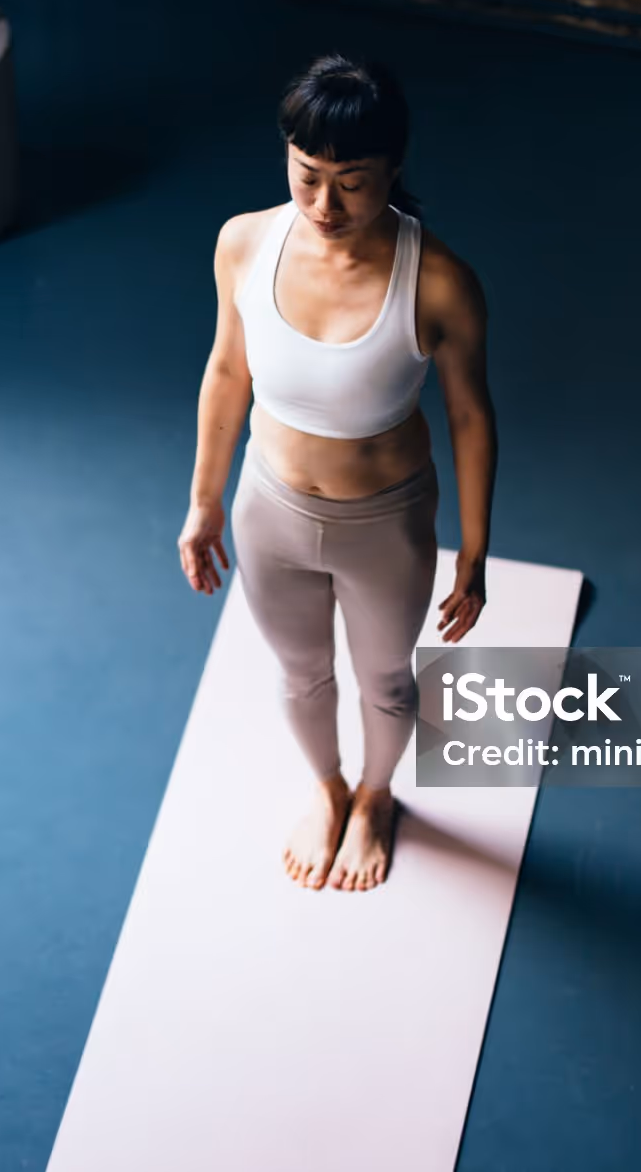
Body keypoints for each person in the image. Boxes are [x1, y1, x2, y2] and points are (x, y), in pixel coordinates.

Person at [179, 52, 496, 893]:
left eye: (352, 181)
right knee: (299, 674)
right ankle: (327, 789)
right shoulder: (243, 242)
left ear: (393, 168)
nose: (324, 204)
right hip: (268, 511)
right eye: (307, 175)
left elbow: (471, 415)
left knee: (386, 682)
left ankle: (376, 796)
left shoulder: (440, 283)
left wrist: (474, 550)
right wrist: (203, 501)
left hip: (385, 525)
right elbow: (225, 373)